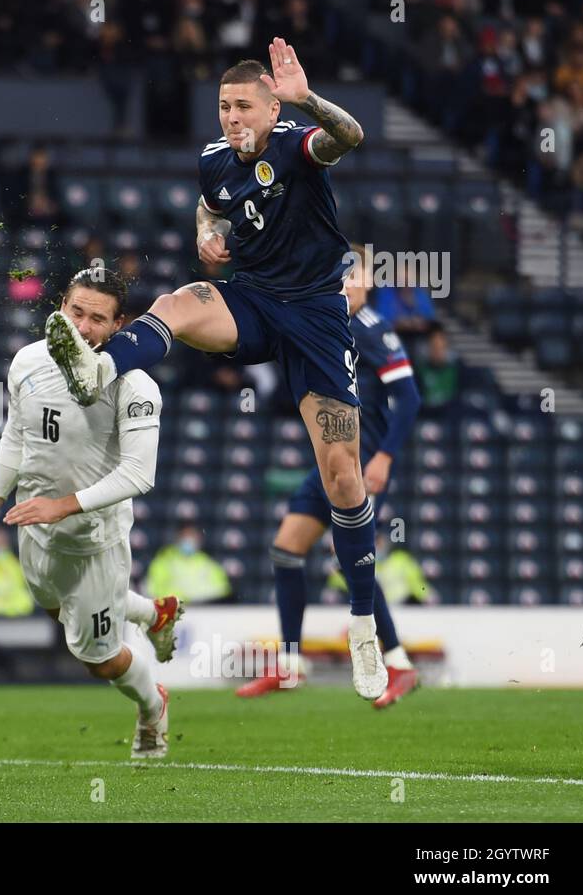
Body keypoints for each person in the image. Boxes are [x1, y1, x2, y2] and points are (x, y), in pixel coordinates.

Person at [44, 39, 390, 700]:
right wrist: (206, 230)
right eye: (225, 106)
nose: (233, 117)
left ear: (270, 107)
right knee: (174, 302)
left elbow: (350, 136)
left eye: (244, 106)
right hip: (253, 302)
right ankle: (96, 370)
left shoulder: (298, 142)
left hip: (317, 314)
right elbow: (212, 204)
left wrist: (305, 96)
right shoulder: (212, 162)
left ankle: (363, 625)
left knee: (342, 478)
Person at [0, 269, 184, 759]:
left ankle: (152, 707)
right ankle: (151, 613)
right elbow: (15, 438)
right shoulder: (28, 361)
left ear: (120, 326)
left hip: (92, 543)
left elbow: (140, 475)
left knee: (96, 660)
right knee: (54, 607)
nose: (82, 326)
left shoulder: (134, 386)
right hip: (33, 528)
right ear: (60, 306)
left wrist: (63, 506)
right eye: (75, 311)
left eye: (97, 318)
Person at [238, 244, 422, 707]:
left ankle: (397, 662)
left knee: (352, 560)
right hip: (331, 464)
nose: (347, 285)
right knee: (286, 551)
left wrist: (385, 458)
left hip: (363, 467)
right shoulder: (328, 324)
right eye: (341, 277)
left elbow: (411, 398)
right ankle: (292, 664)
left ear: (369, 283)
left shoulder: (372, 329)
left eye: (355, 278)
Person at [144, 525, 233, 605]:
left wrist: (196, 598)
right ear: (178, 539)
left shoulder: (208, 563)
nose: (189, 541)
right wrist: (179, 598)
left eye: (192, 537)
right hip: (170, 610)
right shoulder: (163, 562)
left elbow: (222, 589)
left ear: (199, 540)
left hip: (203, 610)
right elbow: (152, 589)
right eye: (185, 537)